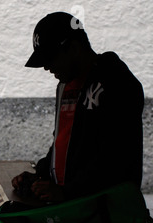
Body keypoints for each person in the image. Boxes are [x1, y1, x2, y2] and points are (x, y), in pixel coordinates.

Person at [12, 12, 145, 203]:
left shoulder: (117, 83)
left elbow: (114, 158)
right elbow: (64, 141)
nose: (47, 68)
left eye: (51, 58)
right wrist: (41, 174)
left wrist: (67, 192)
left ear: (74, 48)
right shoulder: (66, 86)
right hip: (74, 206)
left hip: (108, 212)